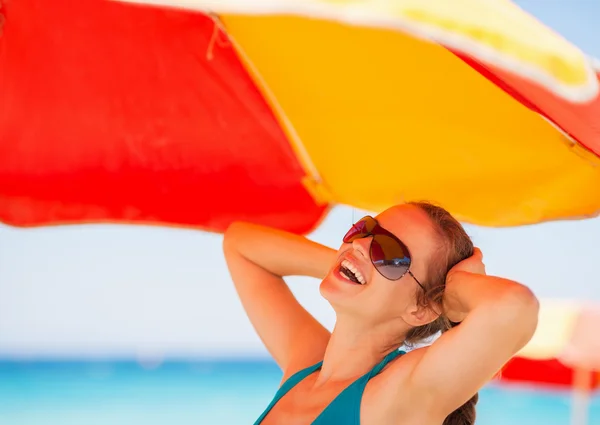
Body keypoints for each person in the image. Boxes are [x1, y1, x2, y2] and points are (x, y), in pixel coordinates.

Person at [222, 201, 539, 425]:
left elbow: (513, 307)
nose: (362, 243)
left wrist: (453, 291)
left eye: (390, 253)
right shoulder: (308, 368)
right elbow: (240, 243)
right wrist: (351, 263)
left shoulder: (396, 397)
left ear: (421, 310)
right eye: (365, 229)